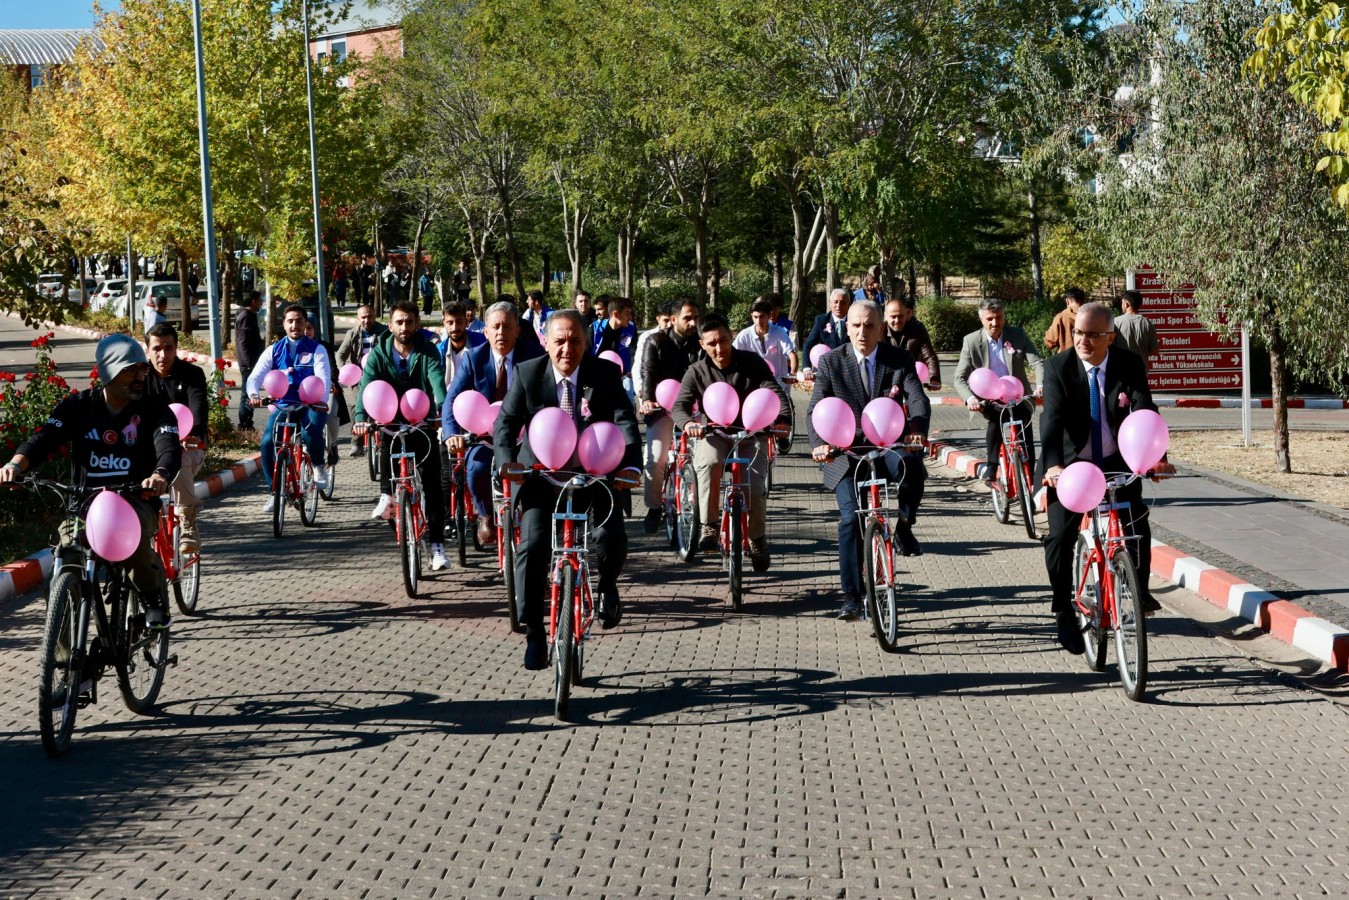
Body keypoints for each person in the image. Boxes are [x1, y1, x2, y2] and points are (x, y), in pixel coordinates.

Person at [495, 310, 642, 669]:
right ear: (545, 341)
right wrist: (506, 462)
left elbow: (625, 422)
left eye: (575, 340)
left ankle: (607, 586)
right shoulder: (527, 373)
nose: (567, 349)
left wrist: (632, 465)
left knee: (610, 537)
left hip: (596, 472)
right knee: (531, 545)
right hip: (540, 475)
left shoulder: (606, 374)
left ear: (586, 342)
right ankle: (534, 633)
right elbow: (506, 423)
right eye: (559, 340)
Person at [2, 334, 180, 628]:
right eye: (130, 370)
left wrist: (159, 475)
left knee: (133, 544)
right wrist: (14, 464)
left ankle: (153, 597)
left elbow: (169, 450)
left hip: (136, 502)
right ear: (109, 371)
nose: (139, 376)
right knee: (65, 563)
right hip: (84, 506)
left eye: (141, 369)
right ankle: (65, 666)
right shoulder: (78, 407)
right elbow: (44, 439)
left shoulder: (155, 409)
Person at [1040, 301, 1175, 653]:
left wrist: (1156, 458)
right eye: (1079, 332)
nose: (1083, 340)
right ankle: (1062, 610)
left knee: (1139, 527)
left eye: (1093, 335)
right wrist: (1053, 466)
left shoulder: (1129, 363)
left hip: (1118, 461)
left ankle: (1139, 589)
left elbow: (1145, 408)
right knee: (1058, 538)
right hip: (1070, 468)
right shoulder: (1058, 367)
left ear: (1110, 337)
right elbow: (1051, 420)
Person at [808, 301, 930, 620]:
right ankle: (851, 596)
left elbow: (917, 398)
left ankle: (904, 527)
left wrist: (916, 431)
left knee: (914, 467)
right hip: (844, 453)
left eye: (870, 325)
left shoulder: (899, 359)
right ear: (847, 328)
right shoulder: (832, 362)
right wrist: (820, 444)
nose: (863, 332)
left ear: (881, 328)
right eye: (857, 325)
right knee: (850, 521)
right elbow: (815, 408)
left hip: (888, 444)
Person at [673, 314, 791, 570]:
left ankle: (757, 539)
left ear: (731, 336)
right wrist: (690, 424)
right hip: (713, 435)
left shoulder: (751, 362)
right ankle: (709, 524)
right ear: (702, 345)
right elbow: (679, 406)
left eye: (723, 340)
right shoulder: (696, 371)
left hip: (751, 434)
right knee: (709, 463)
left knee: (755, 483)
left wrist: (782, 419)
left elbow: (774, 390)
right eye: (712, 343)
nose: (719, 348)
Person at [354, 301, 450, 570]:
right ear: (390, 325)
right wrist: (361, 419)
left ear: (417, 324)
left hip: (422, 418)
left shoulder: (427, 349)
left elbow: (436, 380)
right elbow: (366, 386)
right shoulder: (379, 354)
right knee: (386, 444)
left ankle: (437, 547)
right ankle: (386, 496)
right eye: (399, 322)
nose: (404, 327)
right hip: (389, 418)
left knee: (431, 483)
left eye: (409, 322)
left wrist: (442, 409)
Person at [441, 300, 543, 547]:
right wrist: (451, 433)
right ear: (485, 331)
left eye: (507, 326)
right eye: (495, 327)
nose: (501, 332)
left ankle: (530, 519)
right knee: (475, 468)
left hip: (524, 434)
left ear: (517, 330)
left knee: (535, 475)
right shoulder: (473, 359)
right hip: (483, 435)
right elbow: (451, 399)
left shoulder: (535, 355)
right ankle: (486, 514)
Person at [246, 304, 332, 511]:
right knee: (268, 442)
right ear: (284, 325)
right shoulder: (274, 349)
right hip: (283, 405)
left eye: (299, 321)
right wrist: (254, 395)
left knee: (311, 432)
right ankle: (275, 493)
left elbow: (324, 378)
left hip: (311, 404)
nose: (295, 325)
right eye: (290, 321)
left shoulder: (316, 349)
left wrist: (320, 398)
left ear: (305, 324)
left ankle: (319, 466)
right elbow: (254, 377)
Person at [954, 297, 1045, 483]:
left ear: (1004, 317)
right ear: (981, 319)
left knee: (1024, 425)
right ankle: (992, 465)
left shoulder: (1017, 335)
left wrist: (1041, 386)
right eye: (989, 319)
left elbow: (1036, 361)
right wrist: (970, 399)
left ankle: (1029, 476)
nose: (995, 323)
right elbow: (959, 377)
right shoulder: (971, 341)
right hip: (989, 398)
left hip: (1018, 395)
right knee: (997, 420)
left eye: (998, 317)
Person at [638, 300, 702, 534]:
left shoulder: (701, 342)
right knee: (655, 461)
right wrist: (647, 400)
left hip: (692, 409)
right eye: (687, 318)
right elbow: (648, 371)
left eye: (696, 317)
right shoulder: (655, 341)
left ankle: (704, 514)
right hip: (661, 408)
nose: (693, 322)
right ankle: (654, 508)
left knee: (705, 459)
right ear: (673, 319)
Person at [144, 323, 209, 554]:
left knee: (178, 460)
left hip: (189, 446)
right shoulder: (140, 377)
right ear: (148, 350)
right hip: (150, 447)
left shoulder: (192, 374)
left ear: (176, 348)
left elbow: (198, 408)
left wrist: (194, 434)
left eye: (168, 348)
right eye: (157, 348)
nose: (163, 355)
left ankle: (188, 519)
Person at [733, 296, 798, 383]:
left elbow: (792, 355)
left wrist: (792, 375)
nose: (758, 321)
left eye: (762, 317)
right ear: (751, 316)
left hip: (778, 383)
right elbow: (732, 355)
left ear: (769, 316)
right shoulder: (744, 335)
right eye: (755, 317)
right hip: (753, 382)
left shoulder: (779, 331)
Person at [883, 297, 941, 389]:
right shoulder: (879, 331)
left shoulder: (917, 329)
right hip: (886, 381)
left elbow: (929, 355)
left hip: (911, 379)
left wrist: (935, 378)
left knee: (920, 402)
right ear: (885, 316)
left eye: (900, 316)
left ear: (906, 314)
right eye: (893, 317)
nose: (897, 320)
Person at [631, 300, 674, 404]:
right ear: (658, 319)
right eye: (665, 320)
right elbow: (638, 367)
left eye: (672, 321)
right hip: (651, 394)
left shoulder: (678, 338)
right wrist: (643, 394)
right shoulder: (646, 337)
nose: (669, 325)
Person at [439, 300, 487, 389]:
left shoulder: (482, 344)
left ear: (466, 321)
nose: (455, 327)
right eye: (450, 322)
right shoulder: (439, 351)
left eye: (459, 321)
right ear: (444, 323)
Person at [234, 290, 264, 432]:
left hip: (253, 363)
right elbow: (243, 342)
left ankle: (247, 422)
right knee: (247, 394)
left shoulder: (250, 315)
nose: (261, 302)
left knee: (251, 392)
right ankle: (244, 425)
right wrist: (248, 365)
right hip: (249, 364)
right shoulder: (245, 316)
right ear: (253, 301)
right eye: (260, 299)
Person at [802, 288, 852, 365]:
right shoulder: (821, 320)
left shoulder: (854, 321)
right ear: (830, 303)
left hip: (849, 365)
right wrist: (806, 368)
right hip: (827, 366)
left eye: (842, 303)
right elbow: (808, 345)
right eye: (835, 302)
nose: (838, 306)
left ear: (849, 304)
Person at [590, 295, 637, 374]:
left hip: (624, 375)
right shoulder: (595, 330)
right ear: (616, 314)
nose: (630, 318)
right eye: (627, 314)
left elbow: (633, 353)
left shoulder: (631, 329)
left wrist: (632, 371)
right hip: (598, 375)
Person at [1114, 290, 1159, 371]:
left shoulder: (1116, 322)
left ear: (1126, 304)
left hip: (1121, 372)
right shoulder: (1148, 323)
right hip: (1141, 373)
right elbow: (1155, 350)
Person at [1044, 286, 1087, 355]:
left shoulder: (1061, 317)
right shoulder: (1092, 316)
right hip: (1088, 360)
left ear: (1067, 301)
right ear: (1084, 300)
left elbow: (1049, 342)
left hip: (1066, 360)